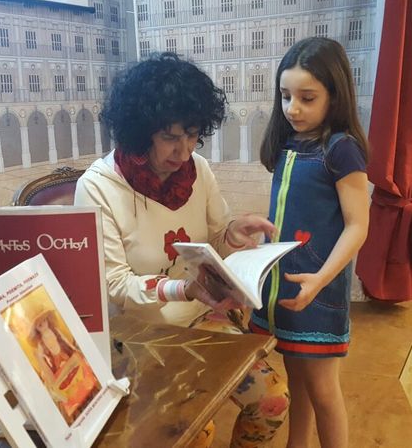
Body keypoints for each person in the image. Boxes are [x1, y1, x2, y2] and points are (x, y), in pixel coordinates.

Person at [74, 52, 289, 447]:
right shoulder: (98, 187)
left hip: (202, 319)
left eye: (192, 134)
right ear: (140, 132)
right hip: (140, 335)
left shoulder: (197, 171)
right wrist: (184, 289)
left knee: (272, 400)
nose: (184, 150)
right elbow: (115, 285)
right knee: (194, 428)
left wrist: (232, 234)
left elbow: (215, 240)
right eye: (170, 138)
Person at [249, 37, 370, 448]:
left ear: (334, 96)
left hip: (318, 289)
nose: (293, 108)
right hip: (284, 285)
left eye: (307, 98)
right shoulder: (289, 144)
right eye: (285, 96)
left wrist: (321, 279)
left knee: (323, 391)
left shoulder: (341, 149)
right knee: (296, 381)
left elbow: (357, 226)